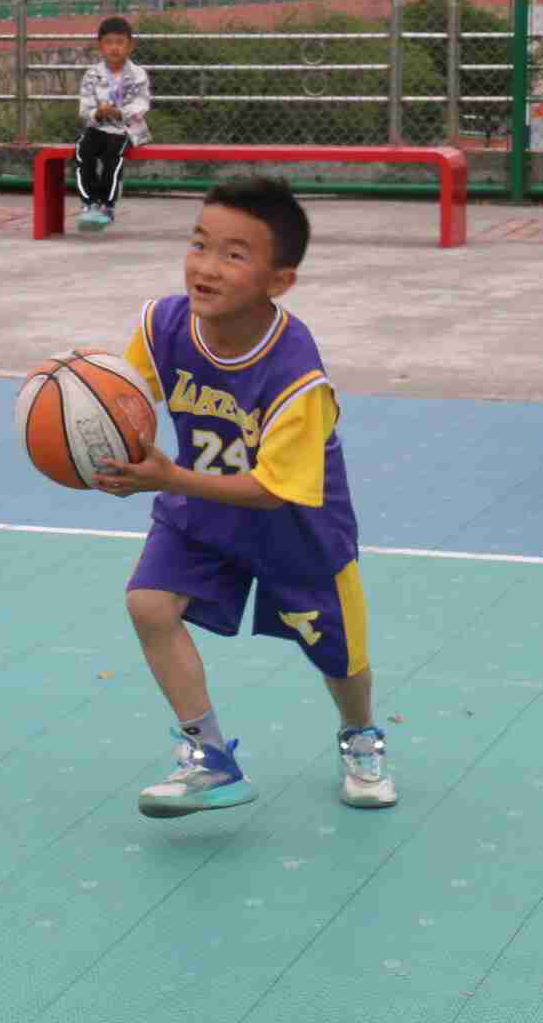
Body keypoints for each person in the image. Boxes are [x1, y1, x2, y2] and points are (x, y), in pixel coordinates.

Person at [95, 174, 395, 817]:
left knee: (340, 657)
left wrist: (169, 477)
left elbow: (271, 491)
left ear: (278, 281)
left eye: (234, 255)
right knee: (149, 605)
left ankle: (360, 734)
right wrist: (83, 406)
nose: (206, 267)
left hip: (296, 527)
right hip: (200, 511)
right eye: (199, 244)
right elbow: (121, 400)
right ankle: (209, 758)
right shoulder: (162, 325)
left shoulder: (295, 374)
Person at [75, 16, 150, 232]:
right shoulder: (92, 74)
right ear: (100, 46)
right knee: (83, 151)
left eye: (120, 42)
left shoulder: (138, 75)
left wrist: (119, 113)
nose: (114, 48)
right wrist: (97, 113)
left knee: (112, 157)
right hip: (97, 127)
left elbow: (142, 104)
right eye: (108, 43)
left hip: (125, 129)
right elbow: (84, 108)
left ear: (130, 45)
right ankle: (89, 203)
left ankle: (107, 205)